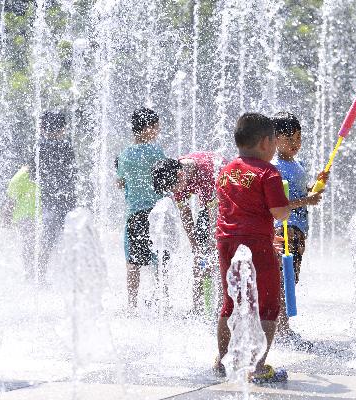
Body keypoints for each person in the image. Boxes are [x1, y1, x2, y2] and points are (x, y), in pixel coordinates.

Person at [213, 113, 324, 382]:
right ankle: (258, 368)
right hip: (257, 244)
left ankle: (221, 361)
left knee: (230, 302)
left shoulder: (226, 171)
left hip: (226, 241)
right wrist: (298, 204)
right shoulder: (267, 172)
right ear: (265, 142)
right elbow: (280, 213)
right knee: (268, 304)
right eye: (275, 141)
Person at [270, 112, 328, 349]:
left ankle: (280, 326)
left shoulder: (297, 164)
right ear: (274, 139)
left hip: (299, 229)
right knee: (283, 280)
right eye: (289, 139)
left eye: (298, 138)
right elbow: (278, 204)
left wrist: (317, 183)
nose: (295, 143)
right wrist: (308, 201)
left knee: (291, 278)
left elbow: (303, 191)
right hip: (283, 228)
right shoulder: (275, 167)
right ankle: (282, 329)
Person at [152, 152, 227, 316]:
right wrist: (195, 246)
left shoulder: (209, 172)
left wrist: (211, 244)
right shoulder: (176, 173)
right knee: (200, 256)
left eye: (174, 189)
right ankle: (197, 308)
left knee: (219, 256)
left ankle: (223, 308)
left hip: (227, 202)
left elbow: (215, 215)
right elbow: (185, 212)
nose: (174, 192)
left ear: (180, 176)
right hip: (208, 204)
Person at [116, 107, 166, 311]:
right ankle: (163, 300)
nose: (158, 130)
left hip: (134, 214)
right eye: (155, 126)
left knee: (133, 262)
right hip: (155, 214)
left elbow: (119, 183)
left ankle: (132, 305)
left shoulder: (124, 154)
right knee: (159, 259)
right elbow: (164, 175)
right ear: (146, 128)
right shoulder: (156, 151)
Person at [36, 110, 77, 281]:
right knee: (70, 239)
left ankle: (40, 276)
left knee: (47, 240)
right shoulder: (67, 145)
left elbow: (33, 173)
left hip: (48, 200)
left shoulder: (39, 146)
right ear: (62, 129)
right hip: (67, 200)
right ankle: (69, 277)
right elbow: (73, 172)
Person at [6, 164, 39, 280]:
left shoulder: (40, 174)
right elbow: (10, 200)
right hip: (25, 216)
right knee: (29, 245)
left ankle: (34, 275)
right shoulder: (21, 176)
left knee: (33, 245)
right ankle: (30, 274)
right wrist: (6, 221)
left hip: (35, 215)